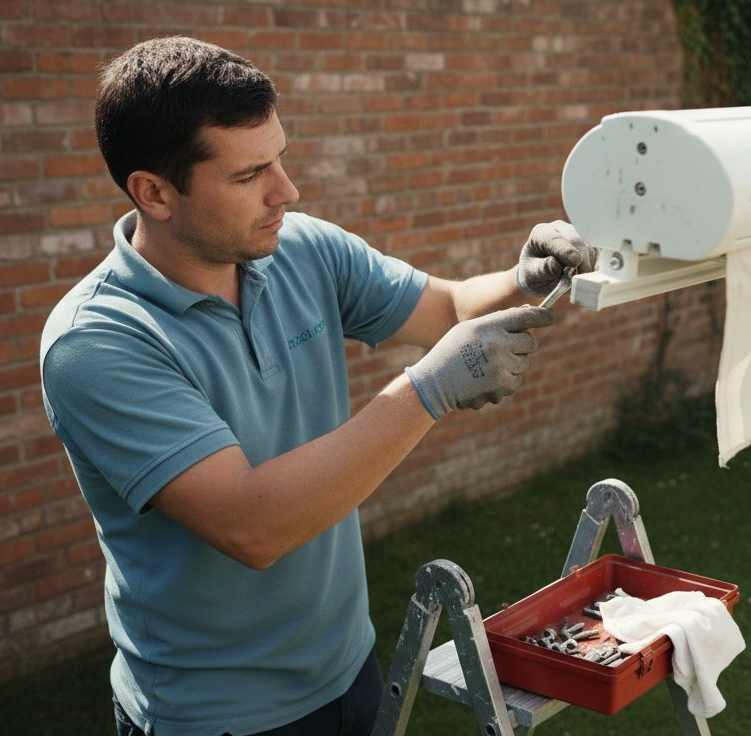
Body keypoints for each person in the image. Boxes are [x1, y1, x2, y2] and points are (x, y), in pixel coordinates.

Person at [39, 37, 594, 736]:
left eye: (281, 157)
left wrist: (526, 278)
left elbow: (448, 311)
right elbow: (251, 525)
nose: (287, 190)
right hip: (213, 715)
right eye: (250, 176)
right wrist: (426, 392)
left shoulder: (300, 248)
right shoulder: (98, 344)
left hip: (349, 665)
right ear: (154, 192)